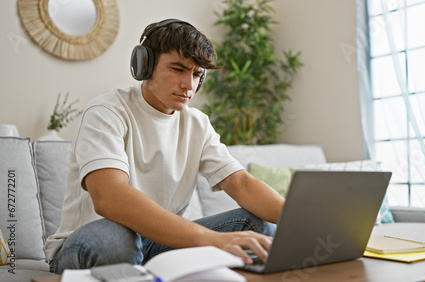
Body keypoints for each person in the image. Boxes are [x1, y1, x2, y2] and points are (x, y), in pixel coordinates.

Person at [43, 19, 285, 274]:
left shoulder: (197, 124)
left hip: (155, 245)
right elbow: (108, 197)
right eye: (178, 69)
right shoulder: (107, 111)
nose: (189, 85)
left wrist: (303, 222)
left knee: (258, 227)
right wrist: (212, 240)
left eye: (196, 75)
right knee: (116, 238)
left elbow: (241, 183)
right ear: (144, 66)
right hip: (90, 244)